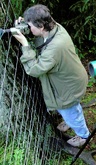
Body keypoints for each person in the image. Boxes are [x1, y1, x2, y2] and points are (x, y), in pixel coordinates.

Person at [12, 4, 90, 147]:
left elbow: (34, 69)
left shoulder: (55, 47)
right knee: (72, 110)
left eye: (29, 26)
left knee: (72, 114)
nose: (29, 29)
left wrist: (24, 44)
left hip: (68, 89)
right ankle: (70, 121)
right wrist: (25, 24)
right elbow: (40, 38)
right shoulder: (53, 27)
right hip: (71, 79)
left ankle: (83, 136)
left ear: (41, 26)